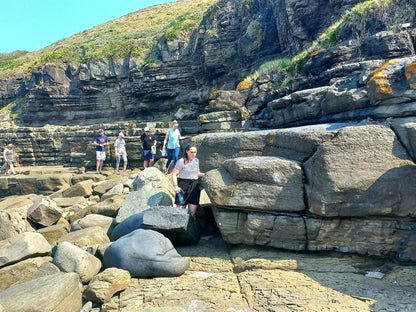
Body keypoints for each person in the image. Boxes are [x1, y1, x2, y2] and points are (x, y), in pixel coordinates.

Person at [171, 143, 204, 218]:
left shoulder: (196, 161)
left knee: (192, 212)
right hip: (183, 185)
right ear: (187, 151)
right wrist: (176, 186)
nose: (193, 154)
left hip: (195, 186)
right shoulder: (181, 161)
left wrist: (205, 175)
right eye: (191, 152)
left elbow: (196, 173)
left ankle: (191, 228)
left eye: (195, 152)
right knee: (180, 210)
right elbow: (174, 174)